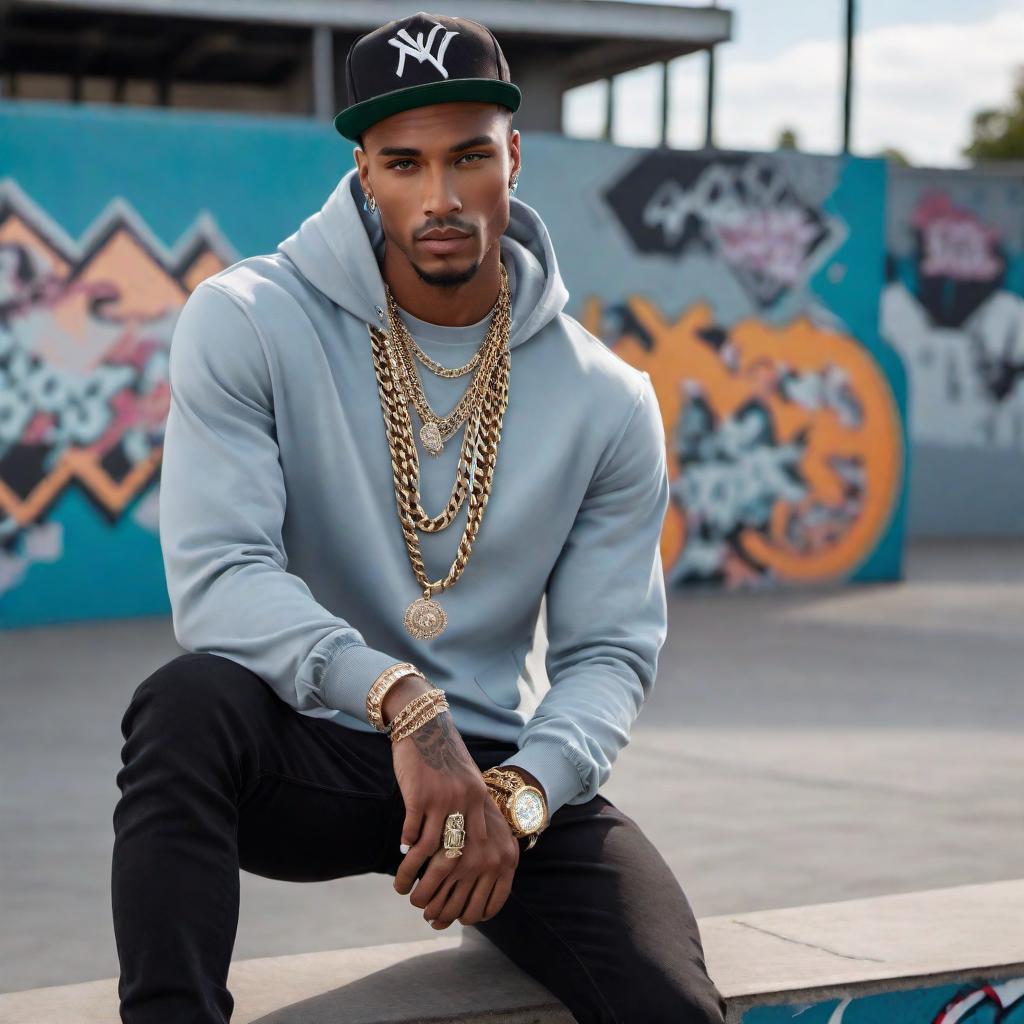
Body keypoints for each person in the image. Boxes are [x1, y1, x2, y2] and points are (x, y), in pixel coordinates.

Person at [110, 11, 728, 1023]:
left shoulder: (605, 396)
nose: (439, 197)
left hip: (494, 777)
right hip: (304, 738)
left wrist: (523, 794)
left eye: (469, 156)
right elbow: (220, 576)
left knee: (670, 1004)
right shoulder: (250, 318)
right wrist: (402, 699)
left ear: (513, 157)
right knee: (184, 705)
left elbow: (610, 650)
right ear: (363, 172)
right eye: (403, 163)